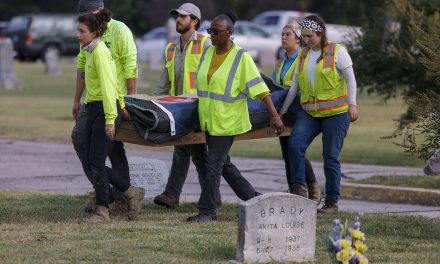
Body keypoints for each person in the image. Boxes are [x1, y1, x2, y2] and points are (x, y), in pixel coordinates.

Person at [187, 13, 285, 222]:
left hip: (228, 121)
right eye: (210, 31)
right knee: (224, 164)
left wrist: (274, 116)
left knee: (213, 164)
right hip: (209, 120)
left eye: (216, 31)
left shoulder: (242, 57)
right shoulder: (207, 52)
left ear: (229, 33)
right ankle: (253, 198)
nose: (211, 35)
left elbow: (260, 89)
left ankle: (207, 211)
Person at [279, 15, 359, 214]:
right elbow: (294, 87)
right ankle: (299, 190)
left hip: (336, 113)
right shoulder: (303, 55)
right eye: (304, 36)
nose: (306, 40)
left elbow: (351, 79)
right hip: (310, 113)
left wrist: (352, 104)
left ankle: (331, 203)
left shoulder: (337, 51)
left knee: (330, 157)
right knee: (295, 144)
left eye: (310, 36)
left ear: (320, 33)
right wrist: (281, 112)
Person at [75, 10, 144, 223]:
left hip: (105, 109)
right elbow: (111, 82)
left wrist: (111, 117)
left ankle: (103, 210)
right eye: (77, 30)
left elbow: (108, 87)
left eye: (81, 31)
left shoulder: (100, 53)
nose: (77, 35)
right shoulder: (89, 50)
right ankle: (131, 192)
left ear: (95, 32)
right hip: (95, 106)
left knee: (96, 160)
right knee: (92, 159)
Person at [152, 3, 212, 209]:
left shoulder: (206, 44)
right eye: (177, 16)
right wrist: (152, 103)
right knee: (194, 151)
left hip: (199, 107)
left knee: (188, 150)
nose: (178, 19)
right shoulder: (171, 47)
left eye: (183, 17)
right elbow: (164, 81)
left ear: (194, 21)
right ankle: (209, 195)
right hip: (179, 109)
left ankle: (173, 194)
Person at [272, 21, 320, 203]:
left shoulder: (306, 59)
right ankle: (295, 190)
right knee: (287, 152)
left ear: (299, 39)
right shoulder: (279, 63)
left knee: (295, 149)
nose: (283, 38)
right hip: (283, 112)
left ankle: (311, 188)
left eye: (288, 34)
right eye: (282, 34)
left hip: (301, 110)